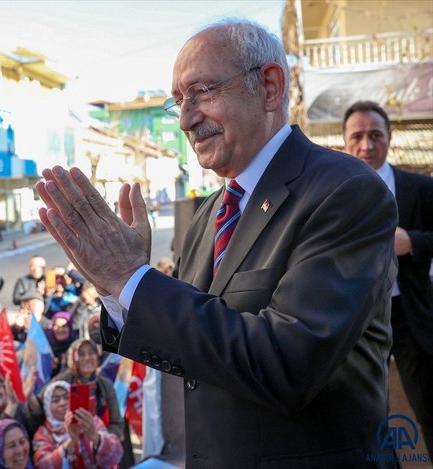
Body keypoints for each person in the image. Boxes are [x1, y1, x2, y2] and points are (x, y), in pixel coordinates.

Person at [36, 19, 398, 467]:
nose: (187, 119)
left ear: (268, 86)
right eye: (178, 102)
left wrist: (134, 279)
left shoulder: (345, 192)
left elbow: (286, 364)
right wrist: (117, 292)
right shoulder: (210, 212)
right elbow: (193, 350)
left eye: (202, 92)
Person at [342, 100, 433, 452]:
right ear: (345, 141)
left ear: (390, 137)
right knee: (361, 414)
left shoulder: (420, 188)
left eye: (376, 135)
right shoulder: (333, 193)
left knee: (427, 409)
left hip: (410, 316)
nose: (367, 145)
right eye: (358, 136)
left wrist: (414, 241)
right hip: (354, 319)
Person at [32, 381, 123, 469]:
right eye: (56, 400)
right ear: (47, 406)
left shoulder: (90, 421)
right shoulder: (43, 434)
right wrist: (71, 440)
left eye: (67, 398)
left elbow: (116, 455)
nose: (62, 403)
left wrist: (94, 436)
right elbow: (42, 465)